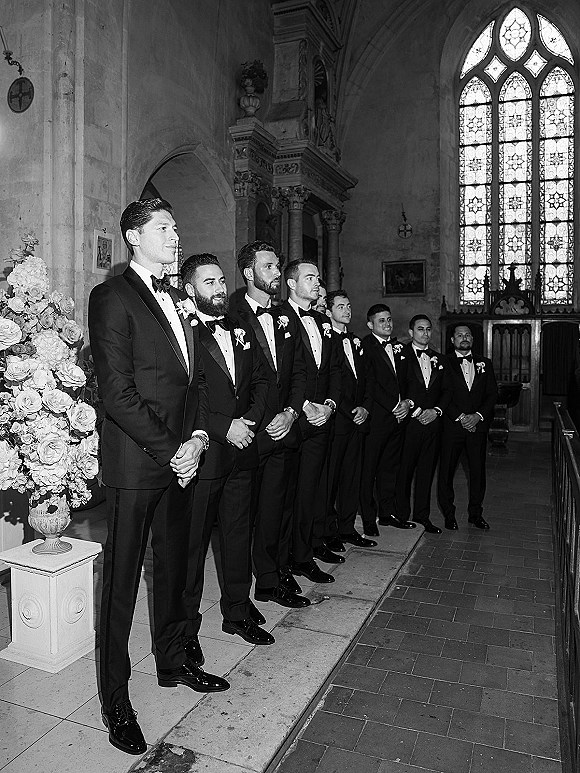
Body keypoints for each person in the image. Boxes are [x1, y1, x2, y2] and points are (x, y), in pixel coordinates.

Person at [88, 199, 228, 756]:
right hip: (138, 462)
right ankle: (115, 699)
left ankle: (173, 662)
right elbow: (117, 393)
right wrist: (175, 450)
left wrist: (197, 439)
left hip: (181, 459)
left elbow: (195, 383)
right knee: (122, 584)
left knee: (173, 568)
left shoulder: (177, 298)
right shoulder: (112, 297)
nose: (175, 237)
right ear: (133, 236)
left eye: (175, 227)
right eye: (164, 228)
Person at [180, 253, 273, 647]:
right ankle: (185, 630)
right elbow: (186, 394)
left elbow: (262, 379)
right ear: (190, 289)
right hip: (205, 454)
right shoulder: (182, 331)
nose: (219, 289)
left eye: (221, 281)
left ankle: (236, 611)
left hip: (242, 449)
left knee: (237, 538)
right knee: (192, 547)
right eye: (209, 282)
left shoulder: (239, 326)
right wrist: (224, 427)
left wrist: (248, 421)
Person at [232, 241, 309, 608]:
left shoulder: (285, 317)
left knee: (275, 511)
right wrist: (259, 420)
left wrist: (291, 413)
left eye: (278, 266)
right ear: (249, 273)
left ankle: (269, 580)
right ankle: (239, 593)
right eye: (269, 267)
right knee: (241, 519)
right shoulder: (231, 316)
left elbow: (299, 372)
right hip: (251, 433)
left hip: (284, 428)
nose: (277, 272)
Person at [279, 260, 342, 583]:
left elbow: (334, 369)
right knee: (285, 496)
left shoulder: (323, 321)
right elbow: (279, 372)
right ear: (292, 284)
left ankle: (303, 557)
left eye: (318, 277)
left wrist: (329, 405)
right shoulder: (278, 317)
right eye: (310, 277)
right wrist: (303, 406)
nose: (317, 282)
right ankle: (280, 562)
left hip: (322, 420)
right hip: (294, 419)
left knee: (310, 492)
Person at [324, 291, 376, 550]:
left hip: (358, 421)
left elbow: (367, 379)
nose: (347, 310)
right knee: (331, 480)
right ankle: (327, 531)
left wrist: (365, 407)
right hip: (338, 421)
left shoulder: (356, 341)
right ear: (328, 311)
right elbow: (329, 384)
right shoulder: (325, 339)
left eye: (348, 305)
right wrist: (349, 411)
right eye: (341, 306)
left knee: (352, 478)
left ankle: (347, 527)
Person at [395, 314, 453, 534]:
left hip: (433, 424)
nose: (425, 333)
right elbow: (398, 388)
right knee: (404, 471)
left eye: (428, 329)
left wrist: (436, 411)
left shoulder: (441, 359)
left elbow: (447, 391)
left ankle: (422, 517)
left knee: (426, 473)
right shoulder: (400, 356)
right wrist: (417, 410)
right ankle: (401, 515)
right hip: (408, 423)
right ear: (411, 332)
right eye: (420, 329)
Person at [437, 324, 498, 530]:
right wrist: (462, 417)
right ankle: (449, 514)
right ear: (452, 340)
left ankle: (475, 514)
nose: (464, 338)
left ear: (472, 339)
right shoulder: (443, 362)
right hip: (452, 426)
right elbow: (441, 394)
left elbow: (492, 394)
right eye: (460, 335)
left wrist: (477, 417)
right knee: (446, 472)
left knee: (477, 472)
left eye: (468, 335)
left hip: (477, 428)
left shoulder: (485, 363)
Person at [360, 304, 411, 534]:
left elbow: (409, 380)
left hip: (398, 419)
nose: (387, 324)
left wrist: (407, 403)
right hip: (377, 419)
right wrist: (393, 405)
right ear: (370, 324)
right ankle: (368, 518)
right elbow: (370, 383)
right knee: (368, 470)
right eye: (381, 320)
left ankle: (387, 513)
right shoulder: (365, 346)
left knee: (390, 468)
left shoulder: (400, 347)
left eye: (389, 319)